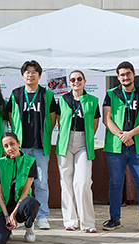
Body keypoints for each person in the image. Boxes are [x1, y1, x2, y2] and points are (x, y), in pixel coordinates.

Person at [102, 61, 139, 233]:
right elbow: (106, 119)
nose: (125, 77)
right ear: (118, 77)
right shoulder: (111, 94)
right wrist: (121, 135)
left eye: (128, 74)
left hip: (138, 146)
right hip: (115, 146)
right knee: (115, 184)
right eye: (122, 75)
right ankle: (114, 219)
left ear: (133, 74)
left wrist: (129, 134)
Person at [7, 60, 57, 230]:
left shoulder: (47, 95)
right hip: (20, 147)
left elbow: (52, 119)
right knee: (19, 183)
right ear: (22, 76)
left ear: (39, 76)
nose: (30, 74)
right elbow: (10, 116)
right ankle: (21, 215)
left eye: (34, 71)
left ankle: (42, 216)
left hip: (40, 146)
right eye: (27, 72)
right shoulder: (15, 94)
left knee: (41, 182)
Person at [55, 70, 100, 233]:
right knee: (66, 183)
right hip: (65, 143)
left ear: (84, 81)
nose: (76, 82)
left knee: (82, 183)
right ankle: (70, 220)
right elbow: (59, 121)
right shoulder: (62, 100)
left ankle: (88, 222)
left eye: (79, 79)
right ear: (69, 82)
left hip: (83, 143)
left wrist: (85, 137)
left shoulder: (92, 100)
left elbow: (95, 124)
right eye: (72, 79)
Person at [0, 132, 40, 244]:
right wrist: (6, 216)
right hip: (4, 207)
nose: (10, 148)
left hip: (21, 205)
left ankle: (29, 227)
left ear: (18, 143)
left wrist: (13, 214)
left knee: (32, 202)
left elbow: (25, 190)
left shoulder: (30, 162)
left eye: (12, 144)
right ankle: (8, 229)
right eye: (6, 146)